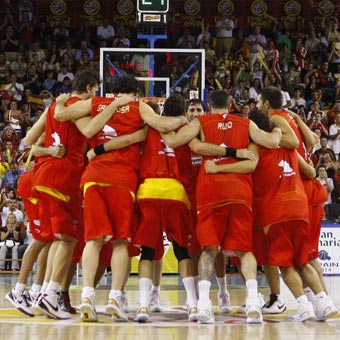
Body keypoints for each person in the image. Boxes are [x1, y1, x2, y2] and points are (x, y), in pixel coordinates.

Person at [53, 75, 189, 323]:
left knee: (93, 240)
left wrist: (60, 103)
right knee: (120, 241)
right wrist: (184, 118)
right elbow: (164, 126)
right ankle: (116, 296)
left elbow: (60, 116)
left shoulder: (96, 102)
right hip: (123, 179)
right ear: (135, 92)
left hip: (93, 178)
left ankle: (86, 296)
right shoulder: (139, 107)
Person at [162, 90, 282, 324]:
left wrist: (175, 123)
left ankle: (204, 304)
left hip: (210, 190)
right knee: (245, 250)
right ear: (230, 104)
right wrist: (278, 128)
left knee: (209, 249)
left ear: (209, 105)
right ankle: (252, 302)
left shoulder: (201, 121)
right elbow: (272, 142)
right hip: (239, 191)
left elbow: (173, 141)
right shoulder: (245, 123)